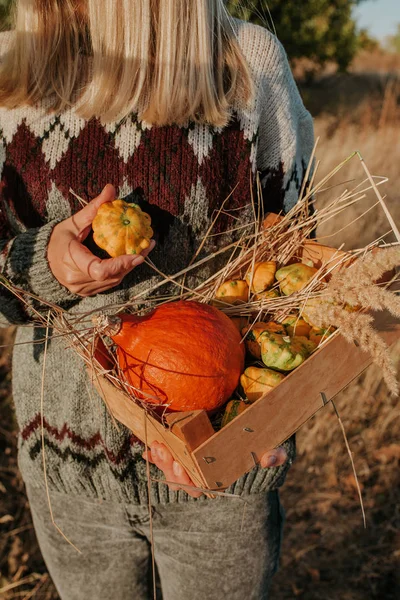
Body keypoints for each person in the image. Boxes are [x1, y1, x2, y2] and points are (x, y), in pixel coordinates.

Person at [0, 1, 314, 599]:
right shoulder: (10, 69)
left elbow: (295, 267)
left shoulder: (246, 63)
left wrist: (266, 418)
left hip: (219, 474)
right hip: (68, 470)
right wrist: (44, 266)